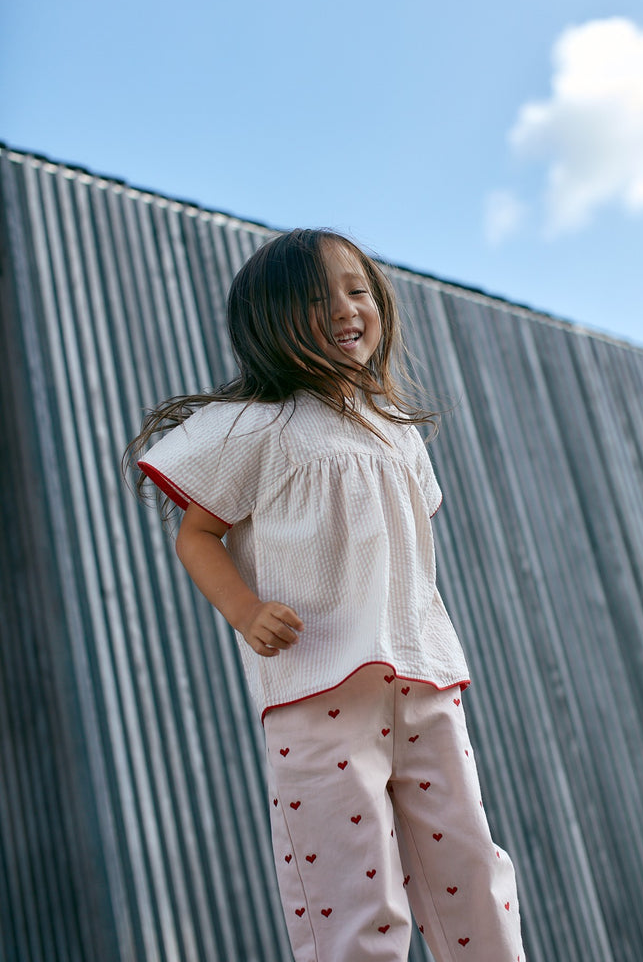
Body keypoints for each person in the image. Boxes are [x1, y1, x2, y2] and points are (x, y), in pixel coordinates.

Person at [126, 228, 525, 962]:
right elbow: (197, 533)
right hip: (319, 687)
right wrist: (244, 610)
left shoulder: (397, 432)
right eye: (315, 298)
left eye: (357, 290)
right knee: (350, 884)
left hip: (425, 675)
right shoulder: (257, 427)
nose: (345, 308)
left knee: (470, 862)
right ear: (270, 321)